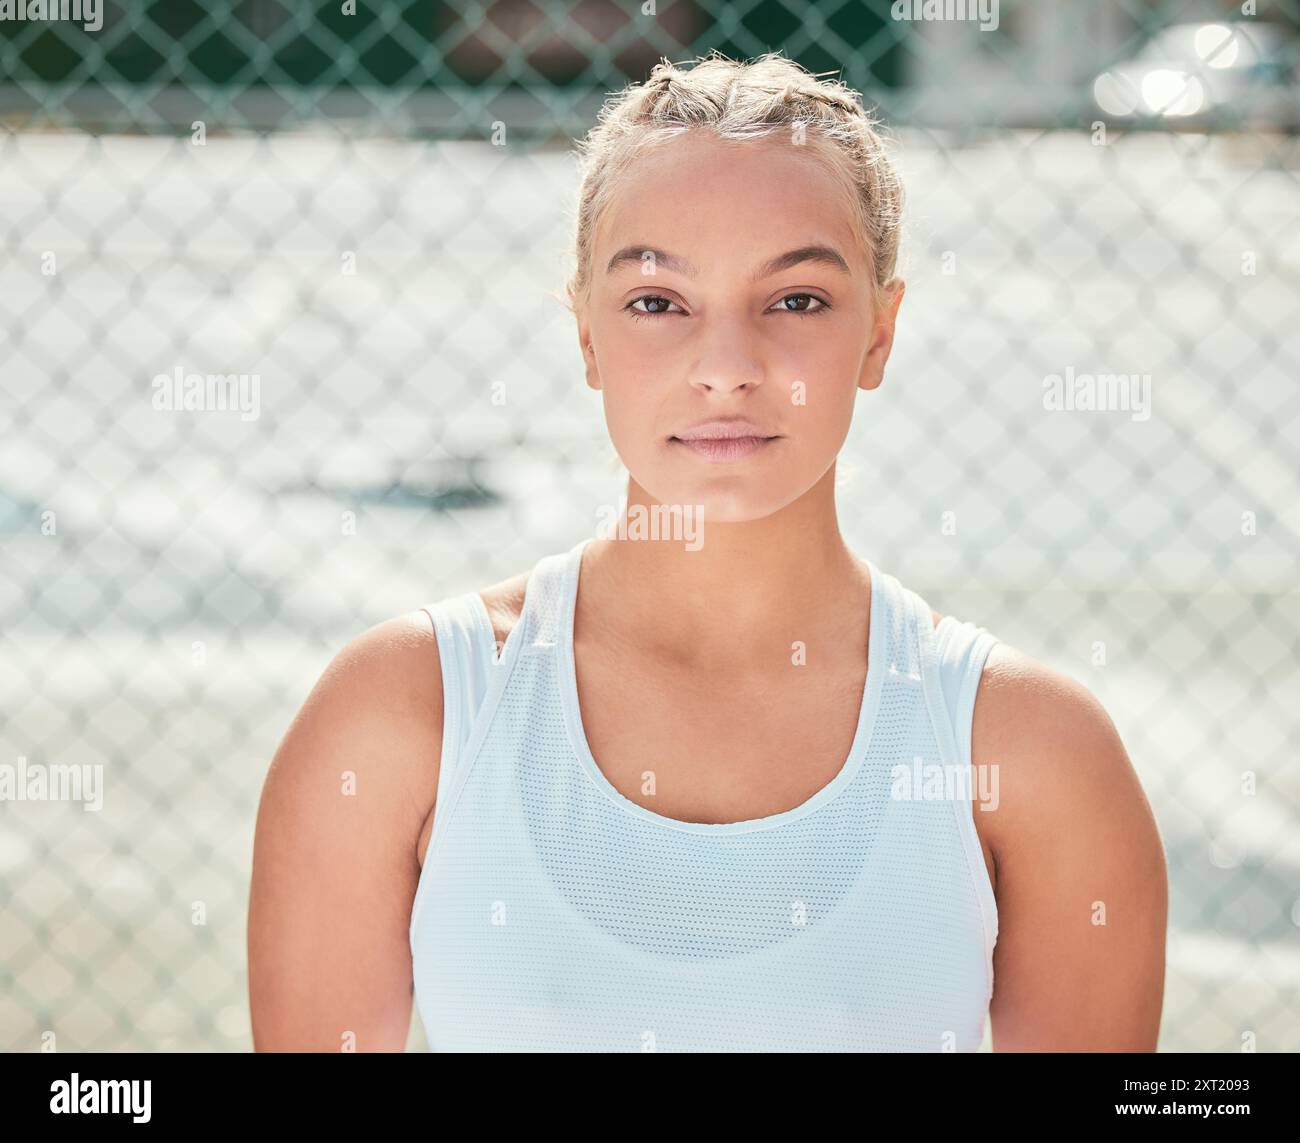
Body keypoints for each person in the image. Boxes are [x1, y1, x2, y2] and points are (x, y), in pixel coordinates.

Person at [248, 49, 1167, 1052]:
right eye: (656, 302)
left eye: (797, 299)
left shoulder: (1030, 752)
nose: (726, 368)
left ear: (879, 332)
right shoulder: (403, 716)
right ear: (587, 334)